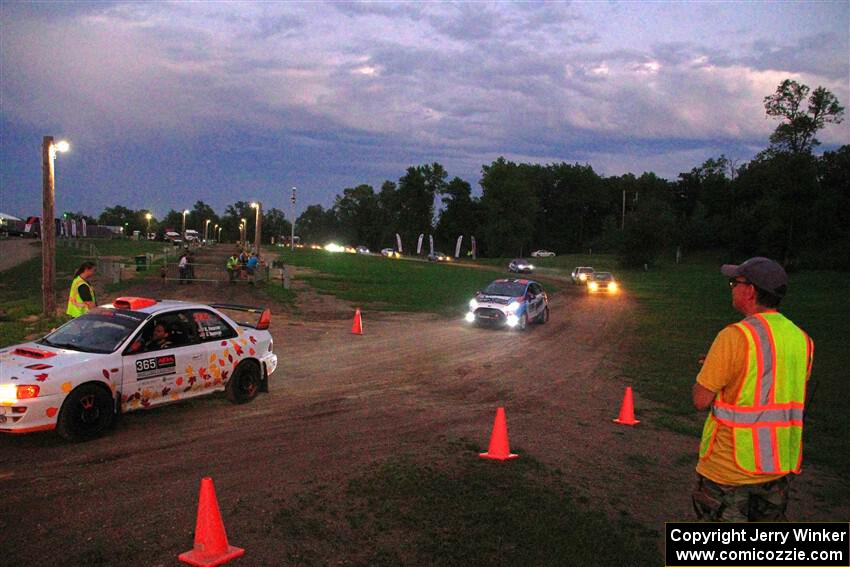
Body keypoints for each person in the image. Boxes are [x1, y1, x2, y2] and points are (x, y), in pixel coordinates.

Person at [692, 257, 814, 522]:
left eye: (734, 283)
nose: (732, 287)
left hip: (729, 469)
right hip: (776, 467)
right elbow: (771, 379)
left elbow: (700, 399)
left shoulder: (735, 336)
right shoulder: (802, 339)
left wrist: (712, 370)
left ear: (750, 291)